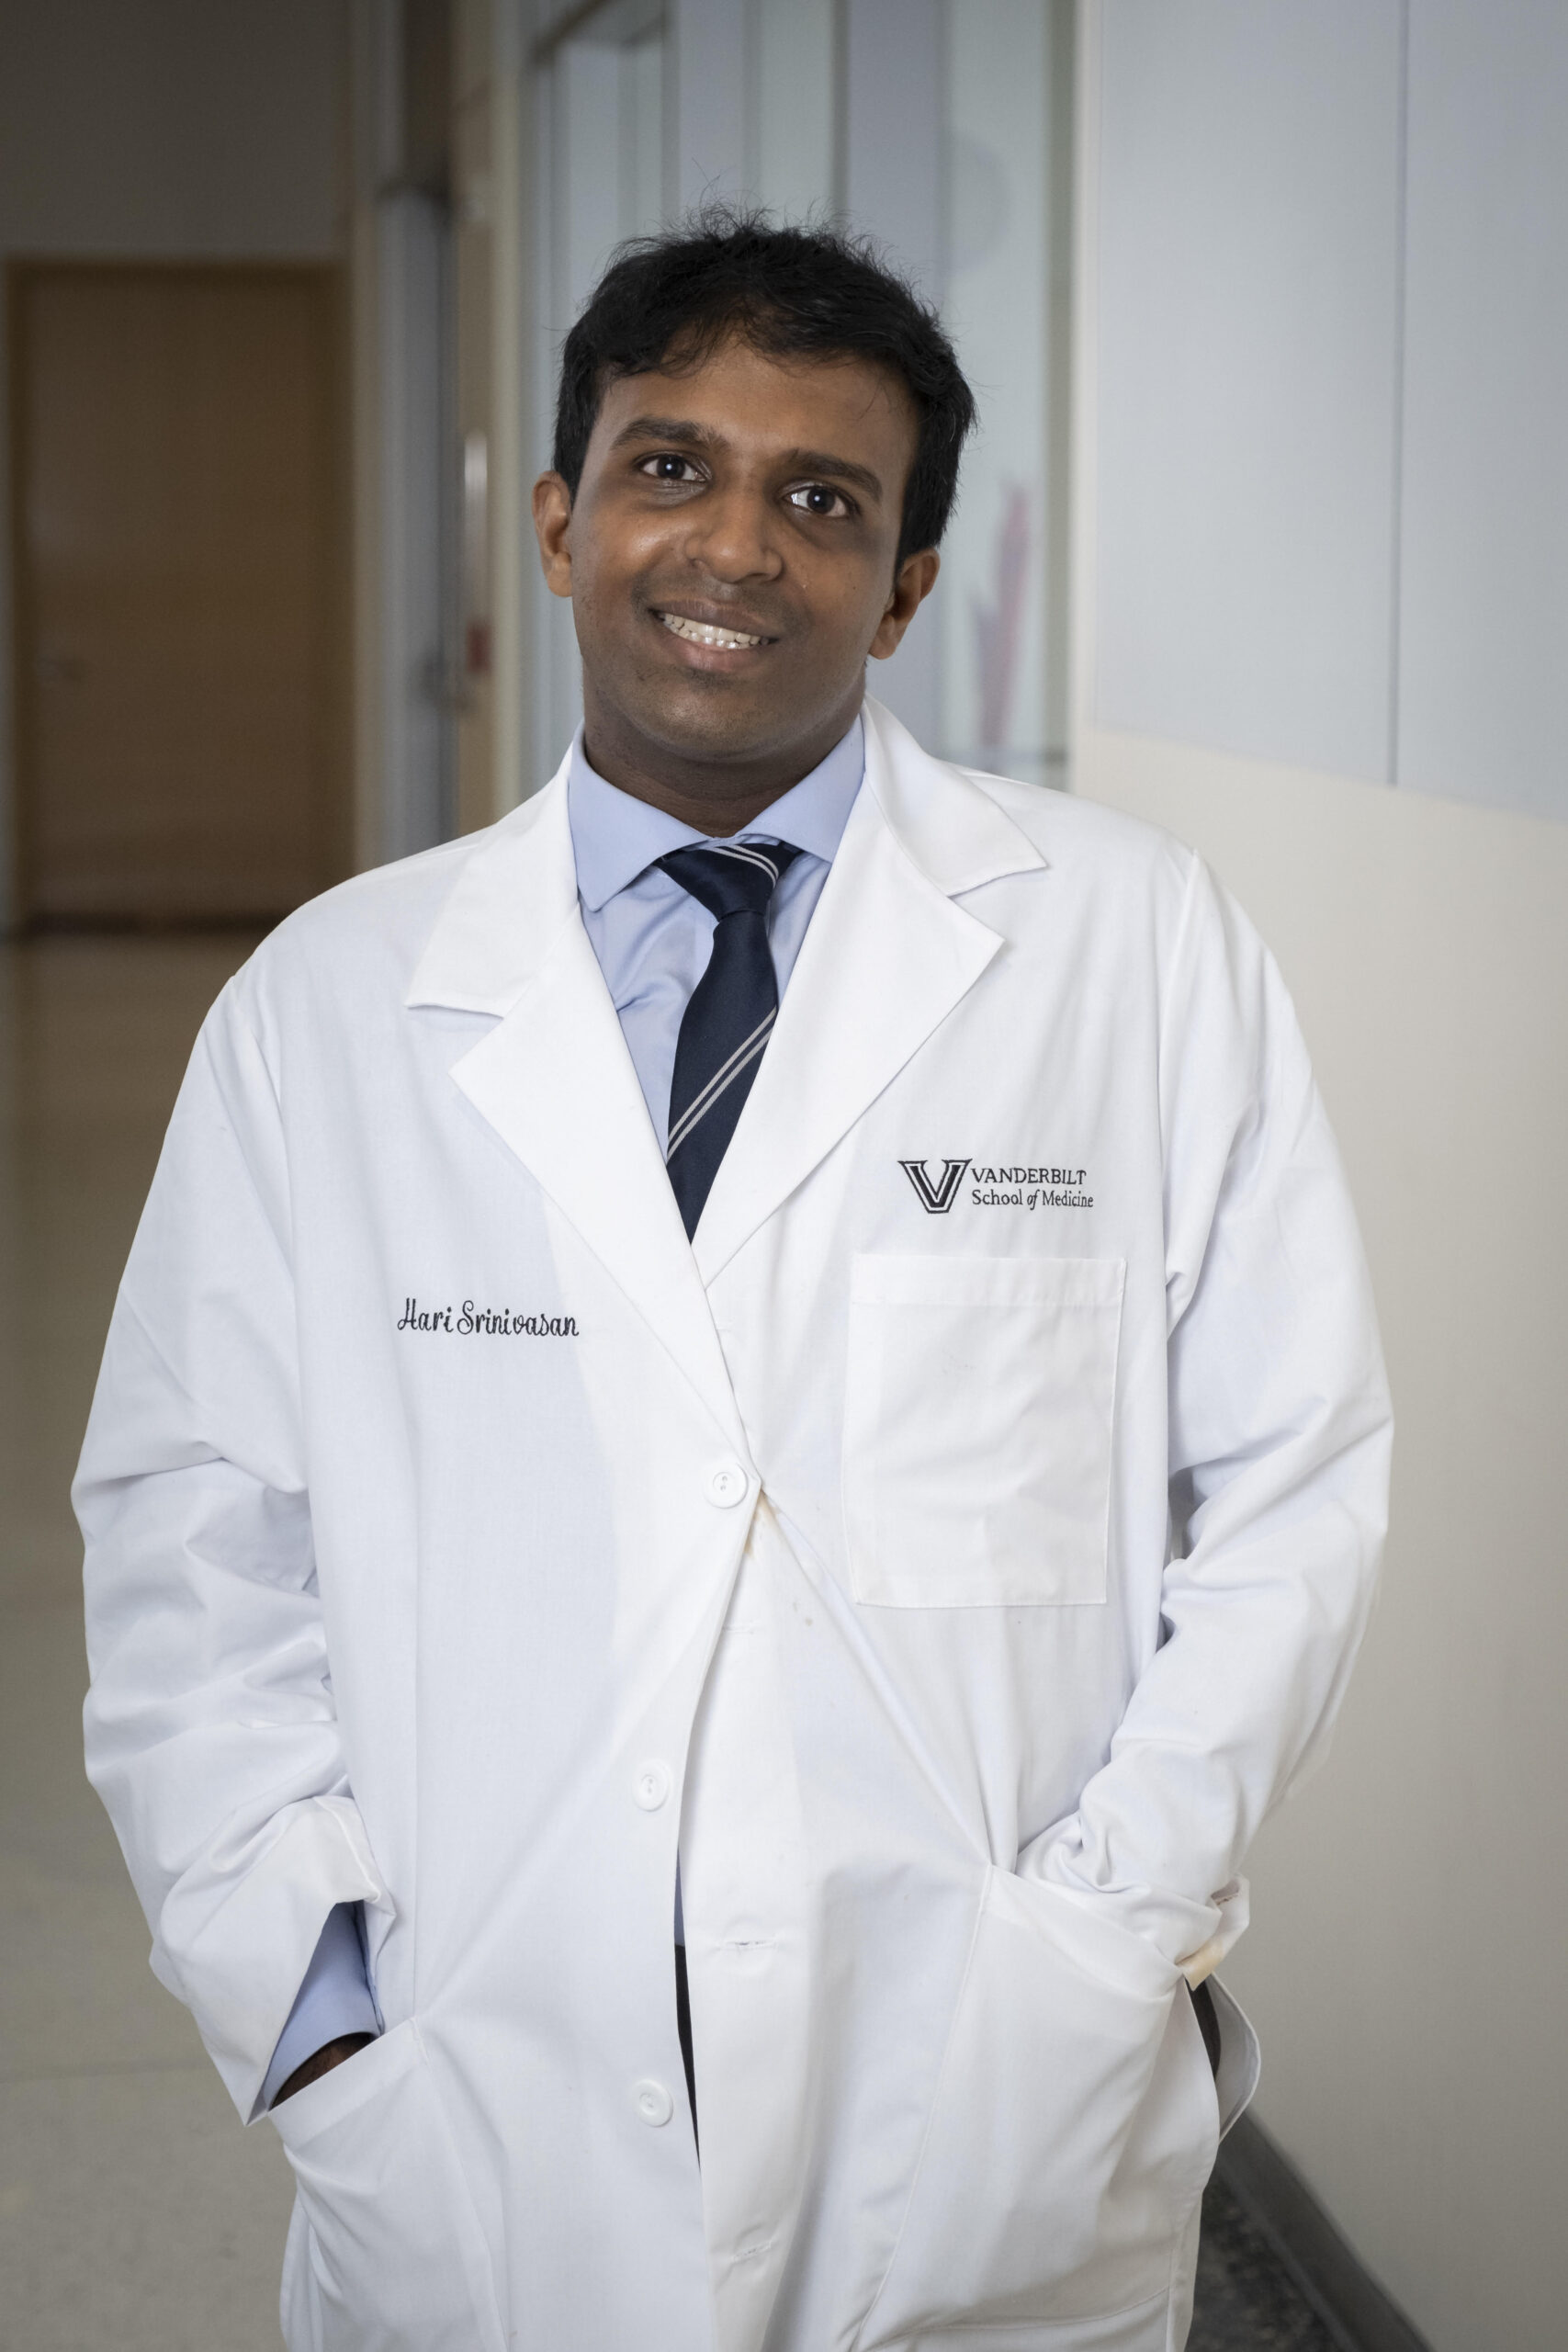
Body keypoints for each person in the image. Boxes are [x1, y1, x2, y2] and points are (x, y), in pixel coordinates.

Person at [77, 213, 1391, 2352]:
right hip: (475, 2104)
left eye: (823, 497)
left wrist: (1103, 1931)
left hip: (976, 2099)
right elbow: (190, 1536)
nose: (735, 546)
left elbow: (1292, 1488)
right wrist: (312, 2007)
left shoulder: (1133, 951)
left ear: (906, 587)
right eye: (670, 464)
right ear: (557, 514)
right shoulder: (332, 1002)